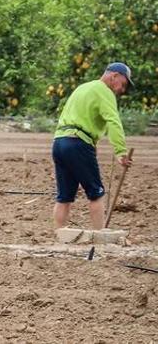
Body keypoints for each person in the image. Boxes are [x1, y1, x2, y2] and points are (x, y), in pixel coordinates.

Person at [52, 62, 133, 230]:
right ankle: (100, 237)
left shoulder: (83, 88)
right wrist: (120, 152)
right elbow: (113, 122)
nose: (122, 90)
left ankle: (59, 239)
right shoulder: (104, 91)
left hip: (59, 143)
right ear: (114, 76)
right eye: (123, 84)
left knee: (64, 197)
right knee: (96, 193)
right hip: (77, 143)